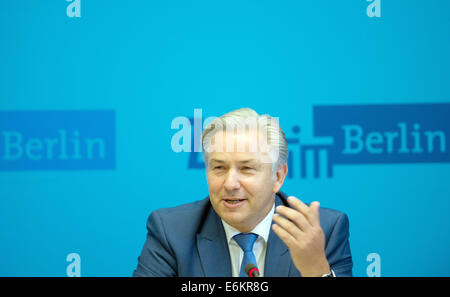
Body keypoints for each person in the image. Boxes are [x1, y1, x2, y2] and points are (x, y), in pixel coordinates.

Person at [133, 108, 352, 277]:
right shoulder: (172, 231)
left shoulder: (324, 230)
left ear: (277, 176)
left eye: (247, 168)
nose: (230, 183)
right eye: (219, 168)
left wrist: (316, 270)